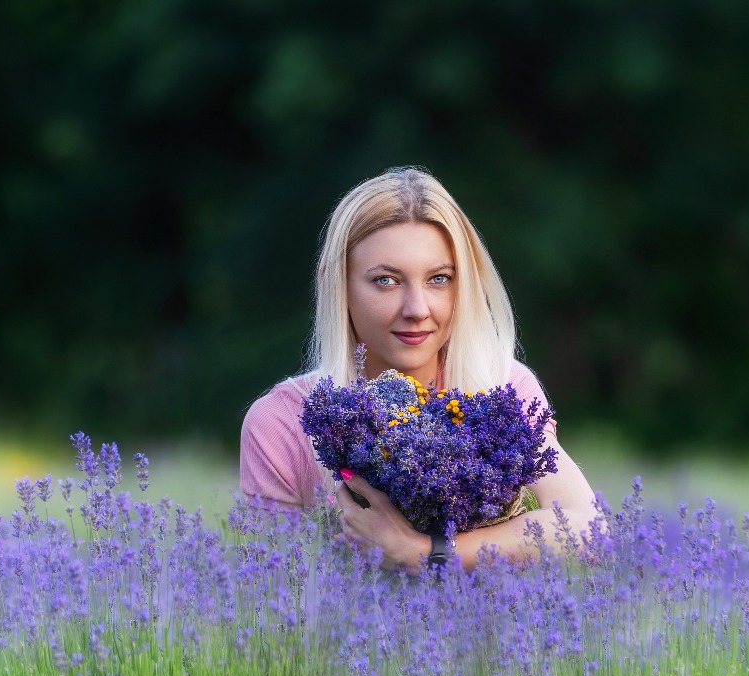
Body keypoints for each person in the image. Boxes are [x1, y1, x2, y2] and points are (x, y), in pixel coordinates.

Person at [239, 165, 598, 571]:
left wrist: (421, 554)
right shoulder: (282, 424)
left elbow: (589, 530)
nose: (417, 310)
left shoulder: (500, 389)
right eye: (386, 281)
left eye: (439, 279)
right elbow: (270, 594)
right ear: (338, 285)